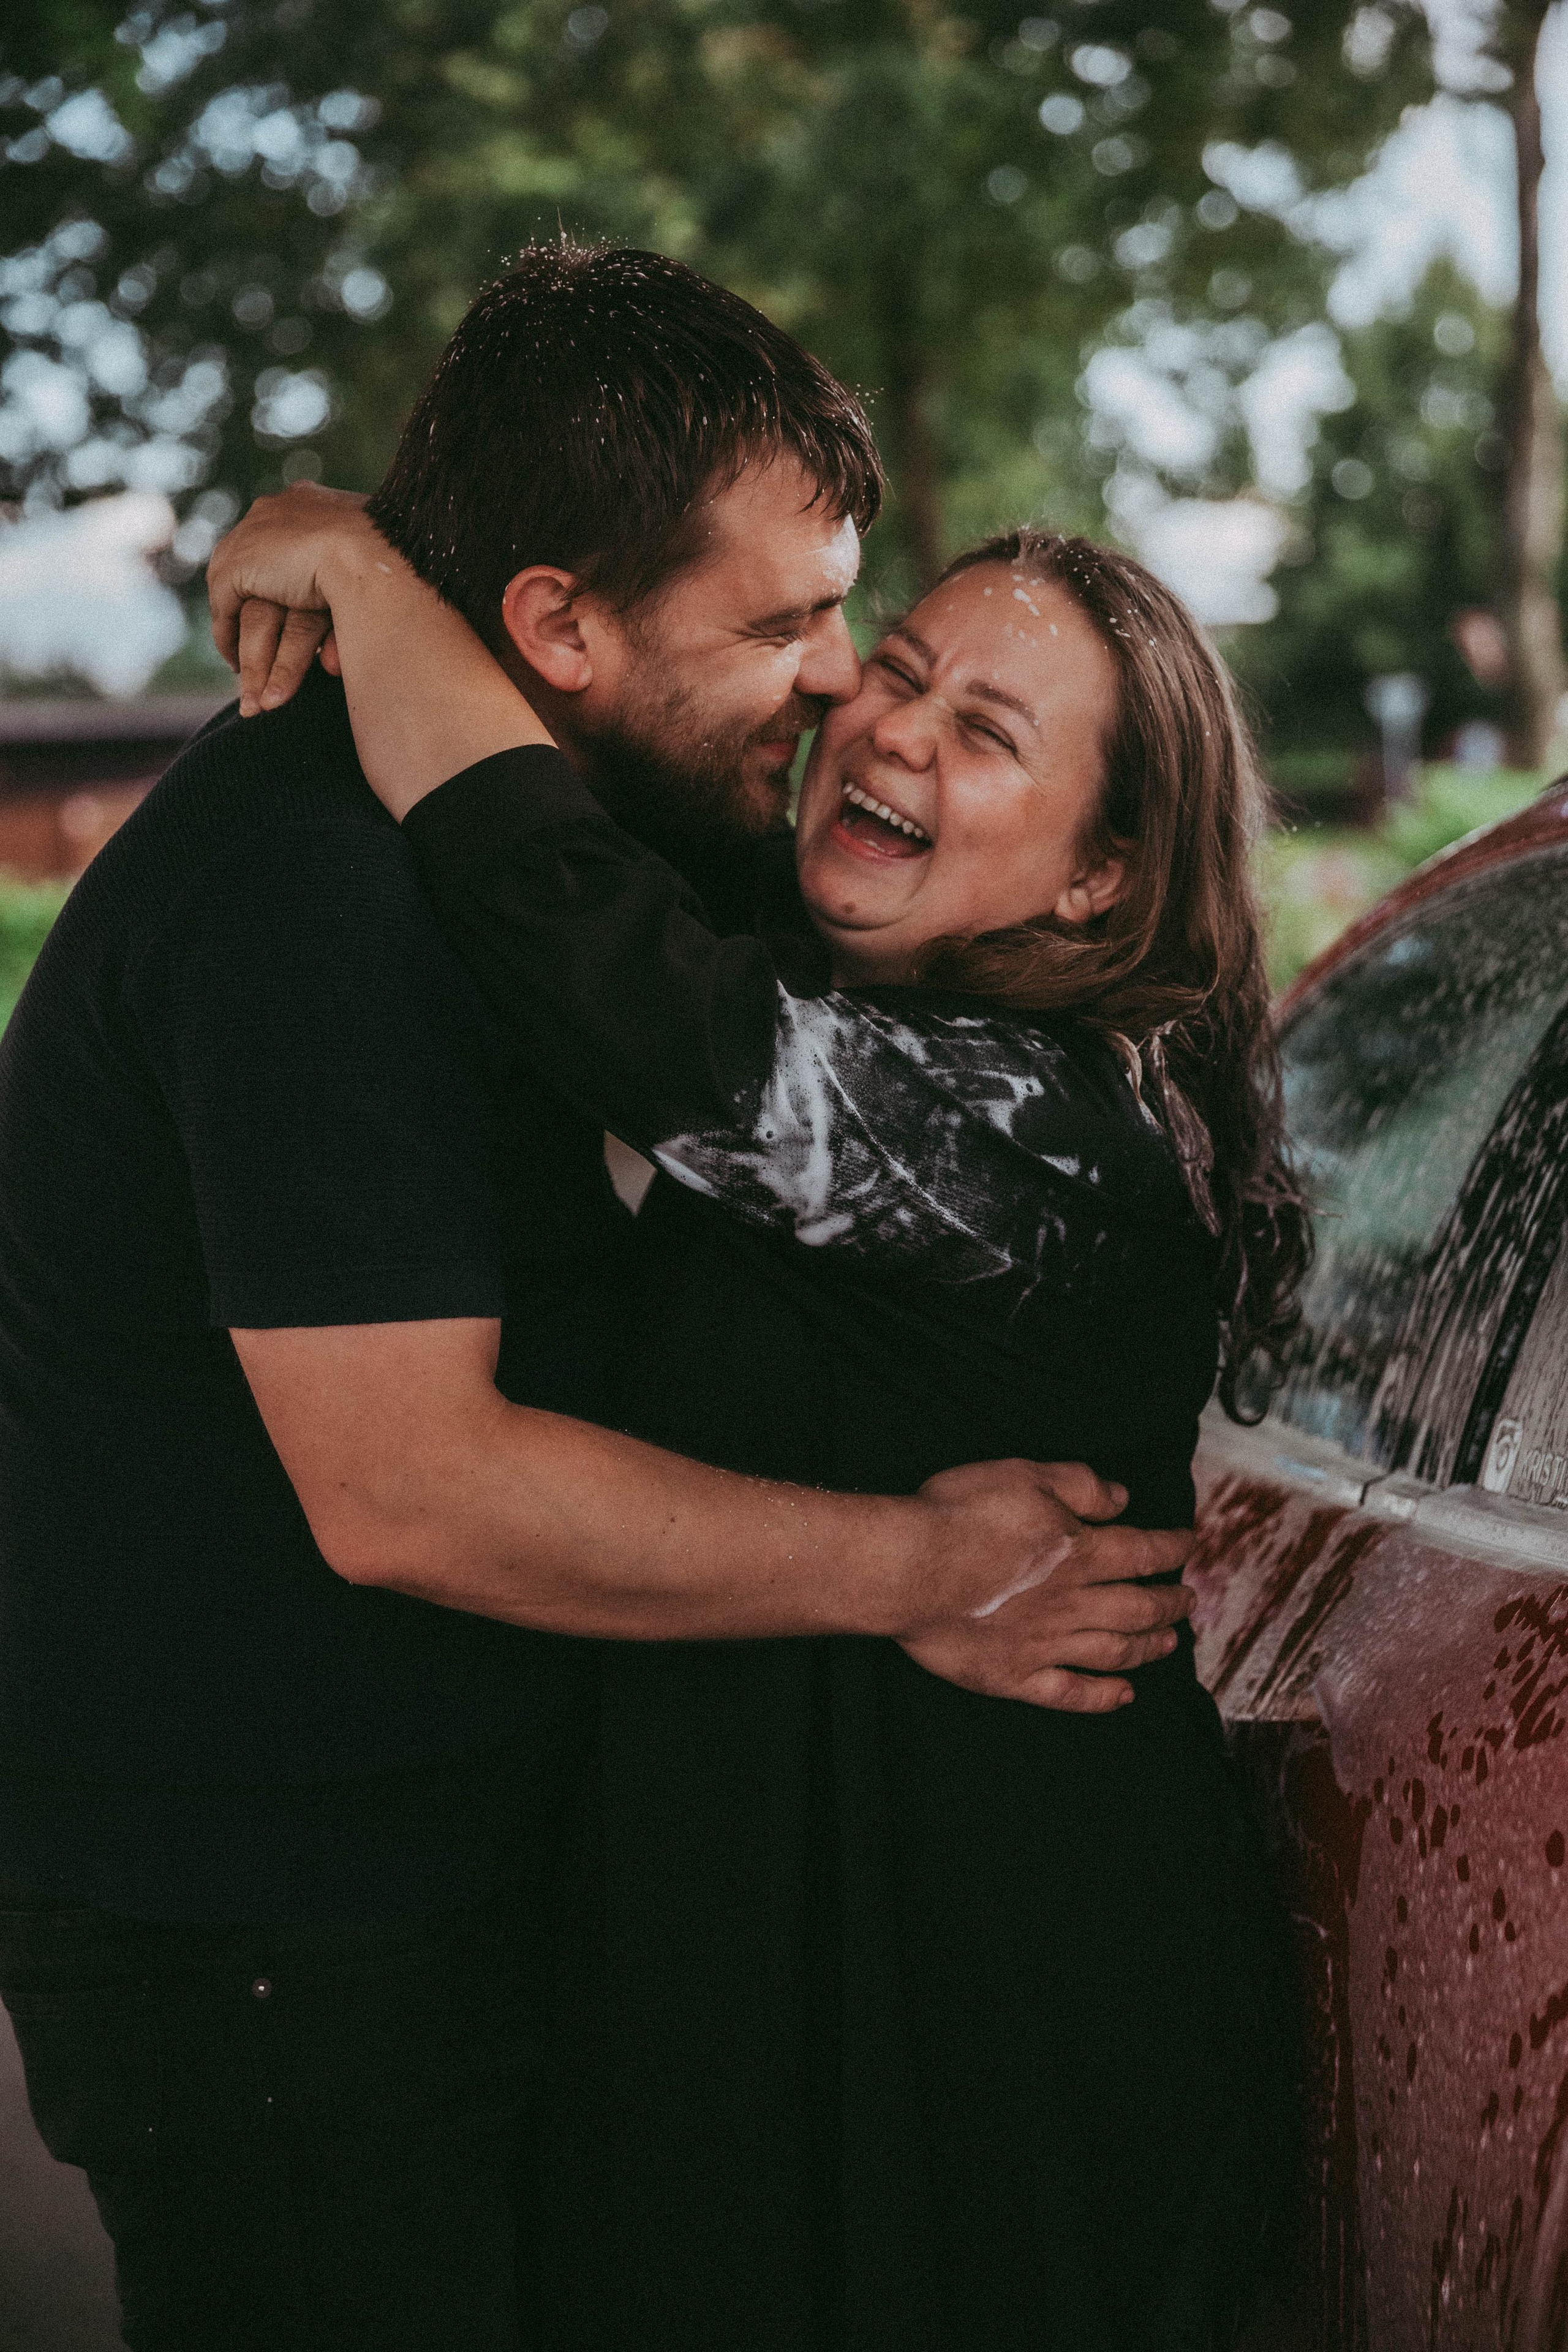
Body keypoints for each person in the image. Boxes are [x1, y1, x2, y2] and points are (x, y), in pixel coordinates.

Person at [0, 247, 1193, 2352]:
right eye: (799, 627)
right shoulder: (320, 900)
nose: (839, 690)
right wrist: (916, 1563)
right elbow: (412, 1497)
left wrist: (361, 562)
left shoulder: (633, 845)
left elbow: (641, 964)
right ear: (554, 626)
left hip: (477, 1880)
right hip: (277, 1924)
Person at [210, 473, 1309, 2348]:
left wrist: (362, 573)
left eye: (986, 734)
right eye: (896, 673)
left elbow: (603, 959)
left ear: (1099, 876)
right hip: (784, 1935)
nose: (887, 728)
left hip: (980, 1991)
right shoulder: (867, 996)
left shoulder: (1062, 1129)